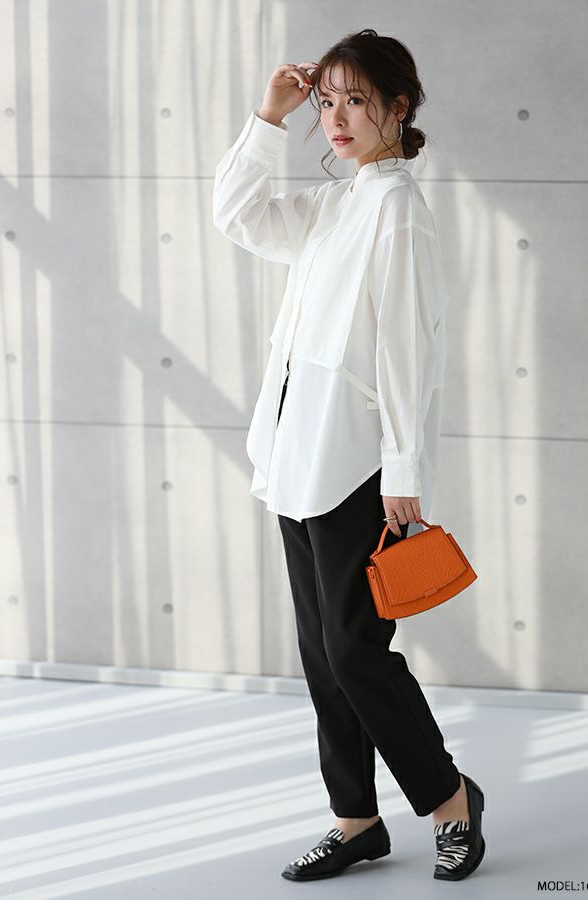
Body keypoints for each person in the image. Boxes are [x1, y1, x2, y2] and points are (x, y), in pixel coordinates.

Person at [212, 28, 486, 882]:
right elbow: (238, 215)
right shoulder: (339, 204)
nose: (334, 118)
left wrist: (406, 471)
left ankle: (450, 800)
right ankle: (355, 818)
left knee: (354, 653)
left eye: (355, 100)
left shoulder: (397, 211)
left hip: (354, 466)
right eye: (326, 101)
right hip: (296, 458)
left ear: (398, 108)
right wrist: (269, 117)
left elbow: (410, 351)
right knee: (323, 656)